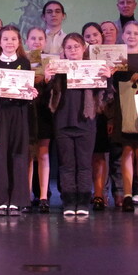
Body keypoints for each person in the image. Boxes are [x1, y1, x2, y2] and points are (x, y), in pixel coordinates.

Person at [45, 33, 113, 216]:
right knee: (66, 165)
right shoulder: (58, 70)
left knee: (84, 165)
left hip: (86, 123)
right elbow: (47, 98)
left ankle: (83, 202)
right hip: (63, 124)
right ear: (64, 51)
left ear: (84, 48)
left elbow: (107, 97)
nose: (73, 50)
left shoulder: (93, 68)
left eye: (76, 47)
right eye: (69, 47)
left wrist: (107, 79)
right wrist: (48, 79)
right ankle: (69, 202)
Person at [0, 24, 37, 216]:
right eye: (5, 39)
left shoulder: (24, 62)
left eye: (13, 39)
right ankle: (0, 201)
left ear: (19, 42)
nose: (9, 42)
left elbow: (27, 89)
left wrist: (32, 93)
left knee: (18, 154)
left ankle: (16, 201)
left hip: (19, 113)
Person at [113, 21, 138, 211]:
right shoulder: (116, 57)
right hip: (122, 105)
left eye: (136, 33)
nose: (131, 36)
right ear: (122, 35)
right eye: (128, 33)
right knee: (127, 150)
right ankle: (128, 194)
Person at [82, 22, 113, 210]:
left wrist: (109, 76)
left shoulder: (110, 58)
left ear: (101, 36)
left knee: (99, 155)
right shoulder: (78, 58)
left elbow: (111, 94)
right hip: (82, 112)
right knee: (84, 156)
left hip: (101, 112)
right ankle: (84, 192)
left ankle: (99, 194)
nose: (92, 39)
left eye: (95, 35)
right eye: (87, 36)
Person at [26, 26, 52, 212]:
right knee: (28, 155)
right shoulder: (21, 60)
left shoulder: (52, 61)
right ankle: (26, 195)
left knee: (43, 153)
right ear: (27, 41)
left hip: (44, 111)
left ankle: (43, 196)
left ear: (45, 41)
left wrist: (49, 79)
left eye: (40, 38)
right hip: (27, 111)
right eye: (33, 38)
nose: (36, 42)